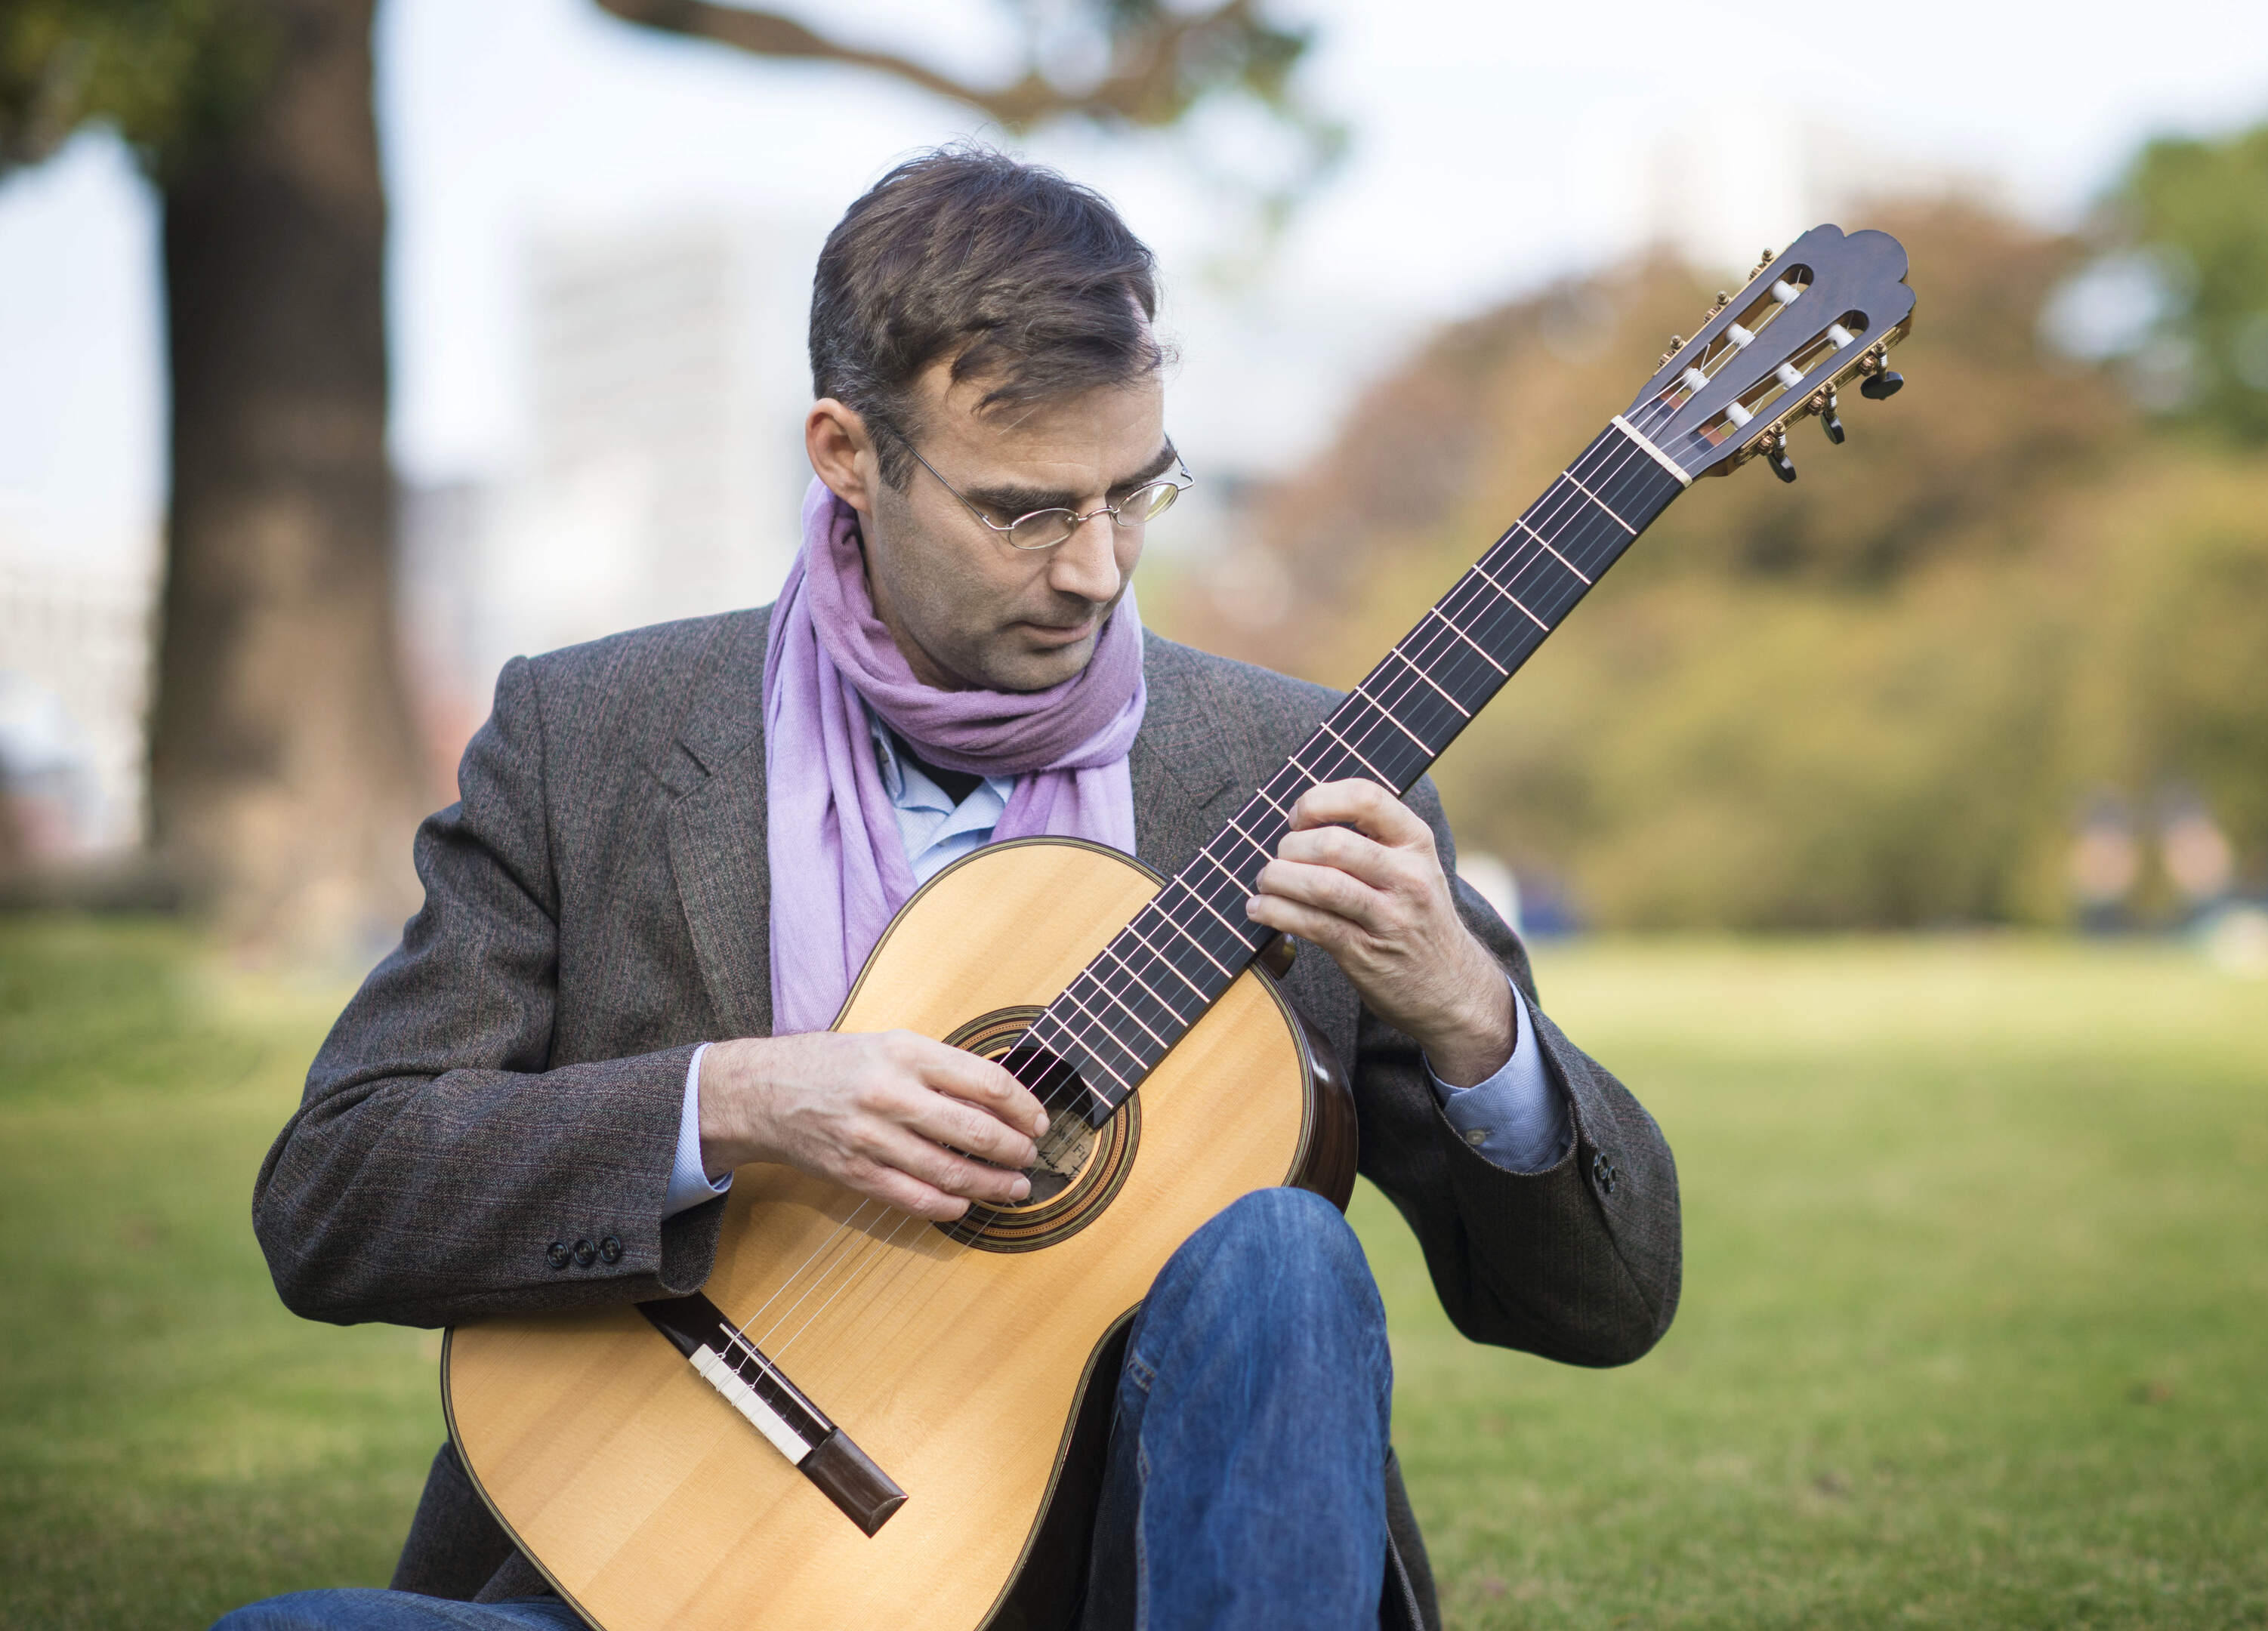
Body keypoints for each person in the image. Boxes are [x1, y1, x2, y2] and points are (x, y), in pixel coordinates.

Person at [218, 148, 1680, 1631]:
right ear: (847, 454)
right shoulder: (588, 739)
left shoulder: (1300, 772)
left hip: (1135, 1584)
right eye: (1030, 512)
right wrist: (736, 1100)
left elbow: (1602, 1304)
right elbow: (335, 1196)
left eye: (1138, 492)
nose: (1102, 571)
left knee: (1284, 1253)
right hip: (670, 1572)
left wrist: (1471, 1020)